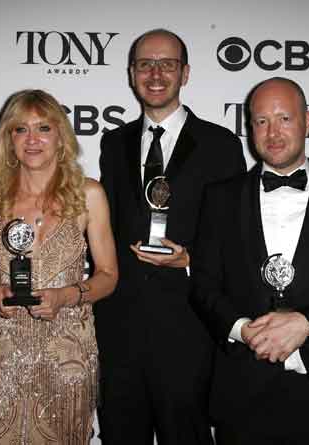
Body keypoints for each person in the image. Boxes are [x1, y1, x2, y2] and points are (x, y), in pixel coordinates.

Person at [191, 77, 309, 444]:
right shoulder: (220, 199)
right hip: (240, 391)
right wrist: (242, 329)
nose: (273, 132)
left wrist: (307, 323)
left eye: (284, 118)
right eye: (261, 121)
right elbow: (203, 286)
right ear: (250, 128)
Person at [96, 29, 246, 444]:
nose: (156, 73)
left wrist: (190, 260)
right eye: (145, 64)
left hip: (189, 330)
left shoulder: (220, 144)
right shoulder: (114, 142)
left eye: (168, 64)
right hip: (119, 330)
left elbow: (238, 236)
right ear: (131, 74)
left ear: (185, 73)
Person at [0, 89, 118, 445]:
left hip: (65, 356)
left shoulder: (88, 195)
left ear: (61, 137)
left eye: (44, 128)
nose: (32, 139)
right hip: (0, 355)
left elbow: (108, 275)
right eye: (20, 129)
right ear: (8, 139)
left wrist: (68, 295)